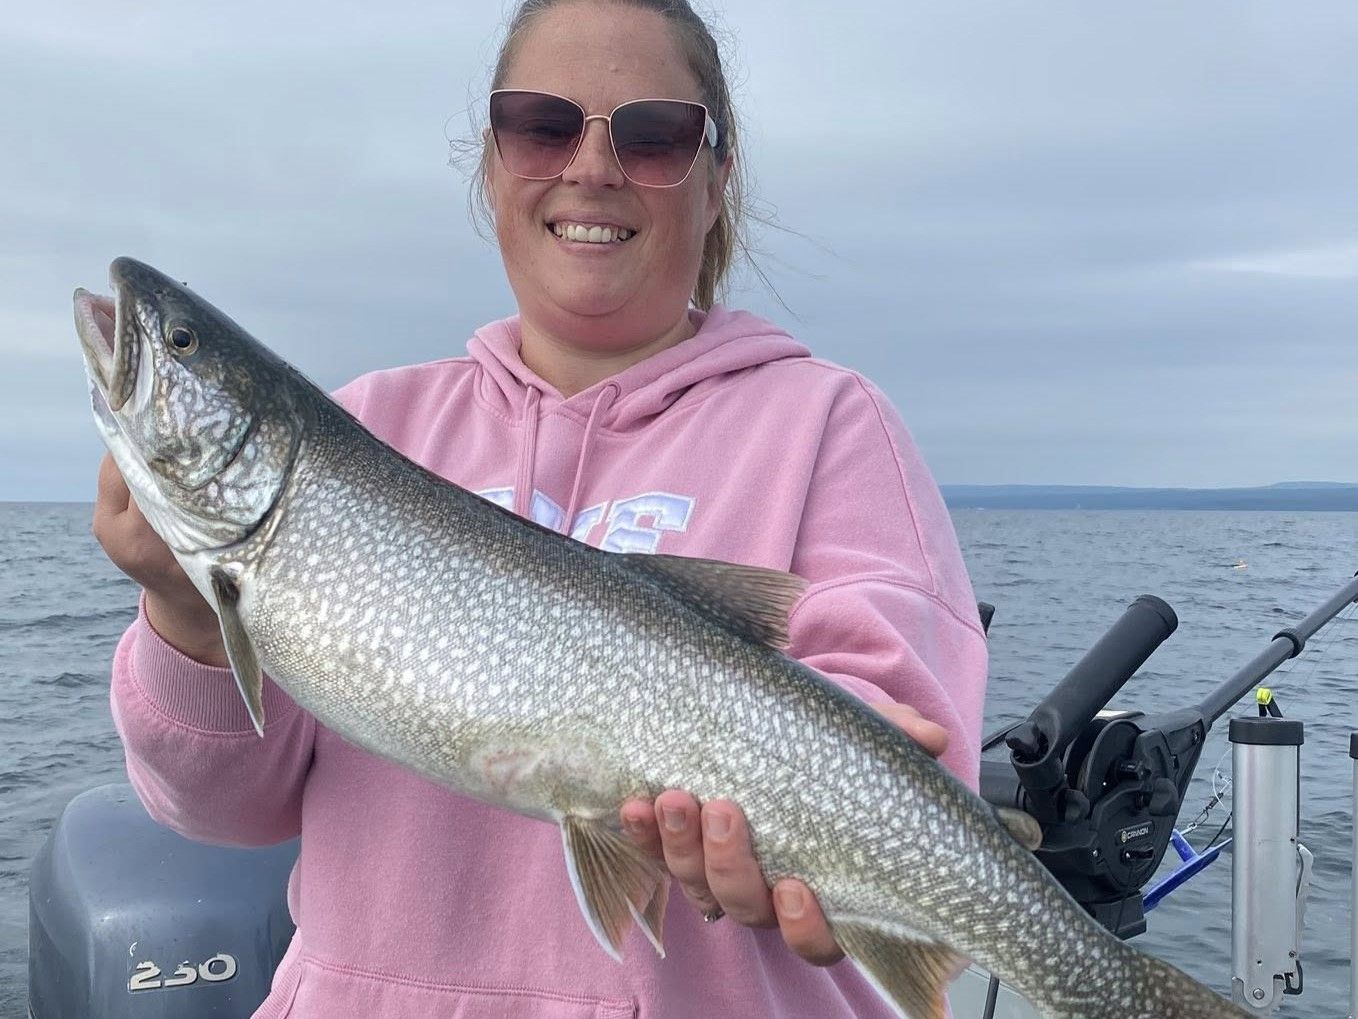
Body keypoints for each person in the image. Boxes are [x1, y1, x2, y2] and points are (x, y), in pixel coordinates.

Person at [94, 1, 988, 1016]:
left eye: (652, 135)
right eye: (541, 124)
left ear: (716, 176)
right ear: (490, 161)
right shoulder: (367, 430)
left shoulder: (829, 421)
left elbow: (907, 724)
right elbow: (220, 809)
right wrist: (186, 614)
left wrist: (825, 835)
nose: (593, 167)